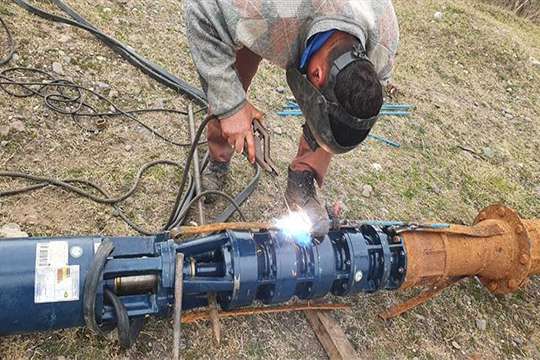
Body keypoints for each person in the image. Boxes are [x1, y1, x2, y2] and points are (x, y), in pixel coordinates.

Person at [185, 0, 399, 236]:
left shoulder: (383, 39)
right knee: (232, 80)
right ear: (316, 74)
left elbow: (347, 106)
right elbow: (202, 8)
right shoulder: (267, 8)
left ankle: (302, 177)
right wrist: (231, 107)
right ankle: (218, 156)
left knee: (331, 119)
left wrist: (328, 129)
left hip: (311, 21)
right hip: (277, 15)